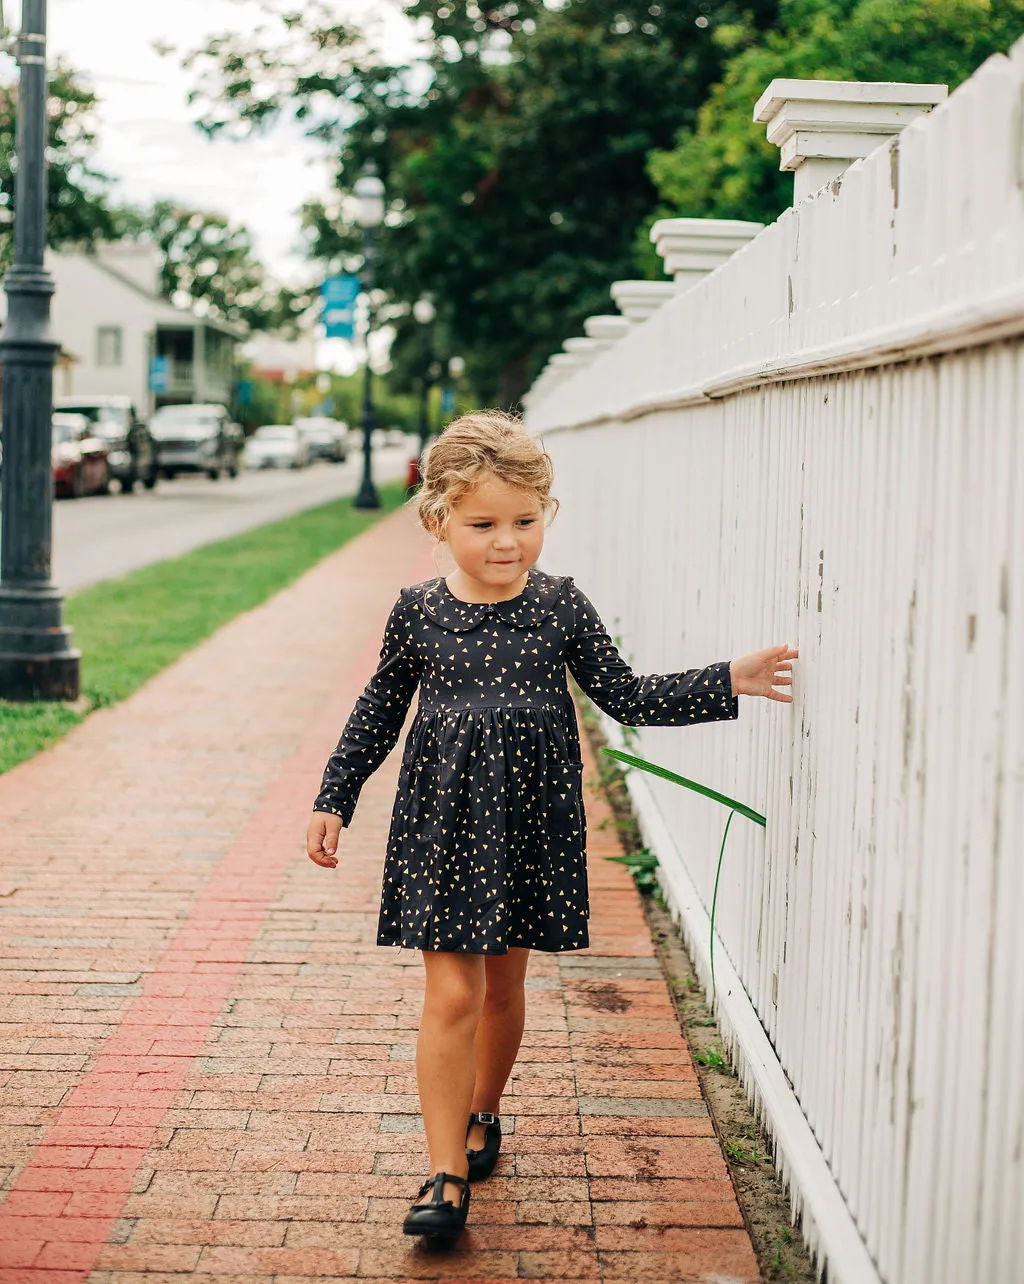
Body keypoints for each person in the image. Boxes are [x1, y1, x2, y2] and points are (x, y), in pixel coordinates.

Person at [306, 409, 797, 1242]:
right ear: (439, 520)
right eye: (484, 524)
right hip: (443, 824)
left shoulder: (561, 606)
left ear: (548, 515)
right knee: (451, 991)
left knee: (502, 986)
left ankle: (483, 1113)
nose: (507, 542)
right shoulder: (417, 613)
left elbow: (629, 695)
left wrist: (727, 679)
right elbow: (378, 709)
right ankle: (443, 1178)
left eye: (525, 522)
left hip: (530, 826)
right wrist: (334, 794)